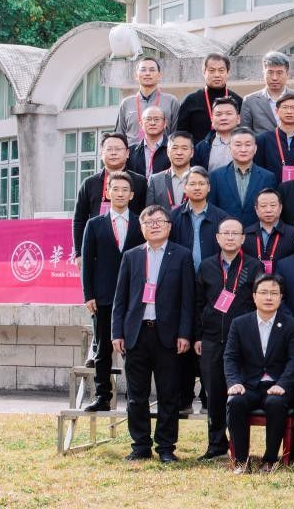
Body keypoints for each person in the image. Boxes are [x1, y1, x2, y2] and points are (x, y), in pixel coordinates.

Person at [111, 205, 195, 463]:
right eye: (149, 221)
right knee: (136, 395)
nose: (154, 225)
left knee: (169, 394)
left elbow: (188, 299)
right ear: (141, 227)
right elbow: (120, 298)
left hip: (168, 335)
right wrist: (117, 332)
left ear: (169, 226)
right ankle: (140, 446)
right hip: (136, 334)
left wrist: (185, 333)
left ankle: (166, 447)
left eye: (160, 221)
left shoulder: (181, 255)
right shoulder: (132, 256)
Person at [194, 217, 264, 461]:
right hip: (212, 339)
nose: (230, 237)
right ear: (217, 238)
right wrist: (198, 336)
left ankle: (238, 445)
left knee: (238, 393)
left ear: (243, 238)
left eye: (236, 233)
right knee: (213, 393)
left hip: (243, 341)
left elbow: (259, 302)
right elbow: (198, 303)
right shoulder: (206, 266)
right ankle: (216, 445)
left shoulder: (254, 266)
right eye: (226, 233)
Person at [78, 171, 145, 411]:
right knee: (103, 349)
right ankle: (102, 396)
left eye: (125, 190)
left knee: (133, 349)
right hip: (103, 296)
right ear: (107, 192)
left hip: (133, 297)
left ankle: (135, 397)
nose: (120, 193)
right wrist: (88, 294)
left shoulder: (140, 224)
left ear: (132, 195)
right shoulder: (94, 224)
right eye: (115, 189)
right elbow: (87, 262)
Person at [223, 274, 294, 473]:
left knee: (275, 403)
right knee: (235, 402)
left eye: (274, 293)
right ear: (254, 296)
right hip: (249, 385)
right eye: (264, 293)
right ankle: (241, 461)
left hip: (278, 385)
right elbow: (230, 357)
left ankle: (270, 460)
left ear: (281, 297)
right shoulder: (240, 323)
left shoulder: (291, 324)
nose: (268, 297)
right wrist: (234, 382)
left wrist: (282, 384)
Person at [72, 132, 148, 258]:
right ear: (101, 153)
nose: (113, 153)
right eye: (109, 149)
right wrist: (79, 253)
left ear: (127, 153)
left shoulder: (140, 181)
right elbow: (79, 220)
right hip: (98, 249)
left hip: (133, 248)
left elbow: (146, 214)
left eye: (118, 149)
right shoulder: (89, 183)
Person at [208, 127, 276, 227]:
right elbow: (212, 210)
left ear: (255, 148)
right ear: (230, 148)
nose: (243, 149)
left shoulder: (268, 177)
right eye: (238, 145)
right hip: (227, 233)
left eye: (248, 145)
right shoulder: (216, 176)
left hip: (256, 233)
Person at [176, 53, 242, 144]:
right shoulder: (190, 101)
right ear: (204, 72)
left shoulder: (238, 101)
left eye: (221, 70)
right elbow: (181, 134)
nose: (217, 75)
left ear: (228, 73)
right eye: (212, 71)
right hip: (198, 152)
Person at [169, 165, 226, 270]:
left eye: (201, 184)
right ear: (184, 188)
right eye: (192, 184)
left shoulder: (222, 218)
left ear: (209, 188)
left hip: (213, 273)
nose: (197, 188)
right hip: (181, 272)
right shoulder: (173, 217)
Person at [115, 56, 181, 142]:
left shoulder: (171, 101)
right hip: (132, 150)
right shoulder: (126, 103)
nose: (147, 73)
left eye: (152, 70)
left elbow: (177, 135)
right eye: (143, 70)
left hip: (162, 150)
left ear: (159, 75)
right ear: (136, 76)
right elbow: (119, 136)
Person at [240, 52, 294, 135]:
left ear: (287, 74)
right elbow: (244, 134)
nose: (274, 78)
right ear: (263, 73)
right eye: (270, 72)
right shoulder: (249, 101)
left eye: (279, 73)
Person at [256, 93, 294, 183]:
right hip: (271, 189)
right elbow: (259, 171)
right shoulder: (263, 140)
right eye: (285, 107)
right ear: (276, 111)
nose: (289, 111)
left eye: (293, 108)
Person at [241, 189, 294, 272]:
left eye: (273, 205)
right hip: (252, 279)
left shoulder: (293, 234)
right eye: (263, 206)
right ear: (256, 209)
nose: (268, 210)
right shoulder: (246, 234)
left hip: (283, 279)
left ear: (280, 208)